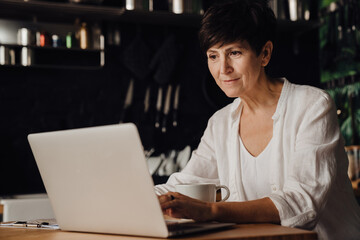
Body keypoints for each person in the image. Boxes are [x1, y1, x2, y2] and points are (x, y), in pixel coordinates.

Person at [154, 0, 360, 239]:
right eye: (213, 56)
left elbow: (303, 202)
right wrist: (128, 195)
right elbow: (182, 184)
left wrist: (211, 210)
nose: (223, 69)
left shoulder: (313, 106)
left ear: (265, 53)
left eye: (234, 53)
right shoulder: (220, 123)